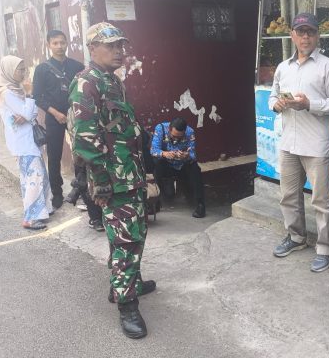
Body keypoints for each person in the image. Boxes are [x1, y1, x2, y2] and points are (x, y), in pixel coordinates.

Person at [69, 22, 155, 339]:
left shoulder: (112, 81)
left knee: (133, 234)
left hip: (129, 174)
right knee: (126, 241)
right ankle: (127, 307)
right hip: (113, 182)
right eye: (111, 45)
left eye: (121, 45)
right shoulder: (86, 84)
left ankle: (126, 283)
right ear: (92, 49)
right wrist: (101, 183)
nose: (119, 51)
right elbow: (85, 141)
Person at [269, 12, 329, 272]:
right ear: (292, 34)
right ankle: (296, 237)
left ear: (317, 36)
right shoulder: (283, 67)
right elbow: (272, 98)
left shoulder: (328, 66)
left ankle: (327, 247)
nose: (305, 36)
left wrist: (309, 104)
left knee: (321, 200)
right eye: (300, 31)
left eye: (310, 32)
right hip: (288, 142)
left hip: (316, 144)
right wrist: (278, 105)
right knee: (289, 195)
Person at [0, 56, 53, 230]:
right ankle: (31, 218)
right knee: (34, 178)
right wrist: (29, 97)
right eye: (19, 70)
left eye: (24, 69)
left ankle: (43, 210)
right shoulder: (6, 92)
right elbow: (28, 113)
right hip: (22, 142)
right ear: (9, 71)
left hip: (28, 139)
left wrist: (27, 110)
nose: (23, 73)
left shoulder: (16, 89)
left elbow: (31, 114)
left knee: (38, 174)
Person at [32, 29, 85, 209]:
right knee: (54, 156)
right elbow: (38, 96)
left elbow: (83, 92)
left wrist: (73, 112)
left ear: (67, 43)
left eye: (62, 42)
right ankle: (57, 194)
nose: (59, 46)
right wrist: (56, 113)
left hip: (76, 116)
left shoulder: (77, 67)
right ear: (49, 45)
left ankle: (81, 189)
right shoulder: (42, 69)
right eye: (55, 43)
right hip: (54, 117)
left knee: (81, 153)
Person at [150, 117, 206, 218]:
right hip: (166, 165)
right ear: (169, 129)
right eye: (174, 136)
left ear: (184, 132)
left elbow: (193, 154)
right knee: (156, 164)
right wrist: (165, 154)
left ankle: (200, 205)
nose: (176, 139)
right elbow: (153, 150)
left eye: (179, 137)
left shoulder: (190, 132)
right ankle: (156, 202)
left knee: (195, 168)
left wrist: (186, 155)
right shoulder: (160, 128)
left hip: (182, 166)